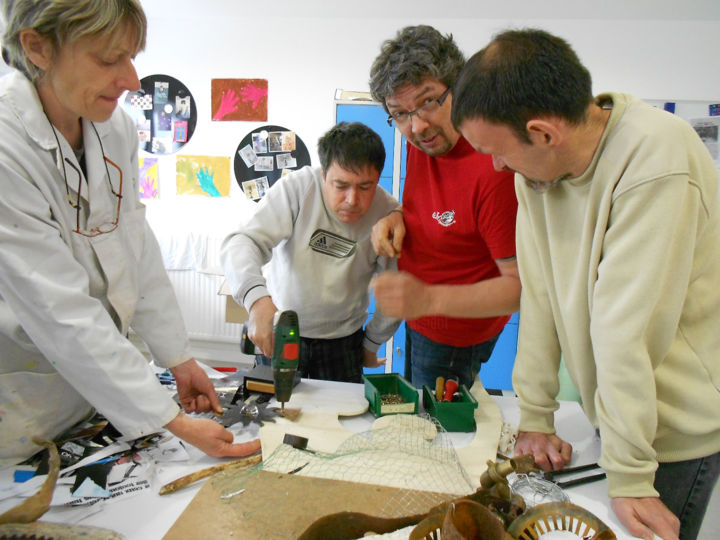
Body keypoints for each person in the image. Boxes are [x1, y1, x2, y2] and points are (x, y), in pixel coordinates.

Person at [452, 28, 720, 540]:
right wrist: (535, 415)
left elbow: (625, 332)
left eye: (497, 150)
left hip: (672, 435)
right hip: (618, 419)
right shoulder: (536, 176)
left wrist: (632, 474)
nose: (496, 165)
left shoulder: (655, 160)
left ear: (544, 133)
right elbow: (542, 293)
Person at [0, 0, 259, 464]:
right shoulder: (6, 146)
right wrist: (171, 420)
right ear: (37, 48)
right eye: (107, 59)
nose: (132, 81)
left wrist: (178, 358)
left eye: (131, 57)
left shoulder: (113, 127)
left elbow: (135, 247)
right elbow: (59, 310)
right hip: (19, 399)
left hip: (89, 394)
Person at [368, 25, 520, 390]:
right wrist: (396, 215)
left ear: (459, 89)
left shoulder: (494, 167)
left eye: (429, 101)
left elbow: (521, 289)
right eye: (400, 114)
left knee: (438, 436)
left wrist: (428, 298)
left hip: (456, 337)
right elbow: (434, 204)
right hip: (421, 318)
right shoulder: (422, 142)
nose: (417, 125)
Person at [220, 122, 400, 383]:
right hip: (282, 334)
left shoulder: (387, 212)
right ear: (323, 174)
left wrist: (372, 342)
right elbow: (242, 242)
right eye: (341, 185)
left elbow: (394, 290)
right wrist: (257, 300)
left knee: (341, 420)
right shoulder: (296, 189)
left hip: (344, 344)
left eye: (364, 187)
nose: (352, 200)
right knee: (275, 417)